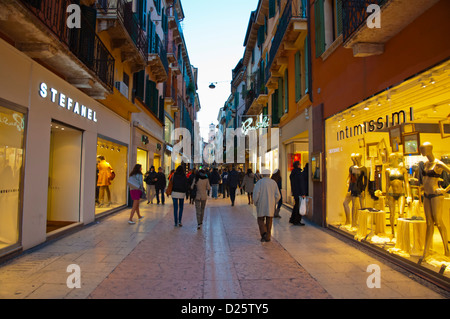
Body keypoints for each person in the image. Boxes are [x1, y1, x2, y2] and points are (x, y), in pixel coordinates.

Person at [253, 169, 281, 242]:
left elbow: (256, 194)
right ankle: (267, 236)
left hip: (261, 204)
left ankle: (263, 233)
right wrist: (274, 201)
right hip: (270, 205)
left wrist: (255, 202)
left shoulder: (259, 183)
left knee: (260, 219)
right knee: (269, 220)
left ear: (262, 175)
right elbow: (278, 195)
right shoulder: (273, 183)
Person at [289, 161, 305, 226]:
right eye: (300, 164)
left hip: (295, 192)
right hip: (299, 193)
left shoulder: (292, 174)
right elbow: (301, 184)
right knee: (298, 206)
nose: (300, 165)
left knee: (296, 206)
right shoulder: (299, 173)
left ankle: (292, 219)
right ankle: (297, 220)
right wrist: (303, 193)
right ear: (298, 165)